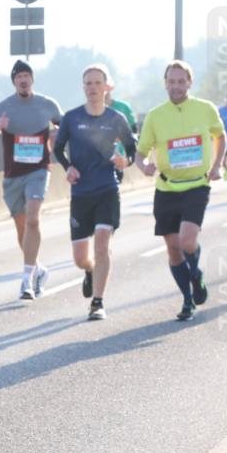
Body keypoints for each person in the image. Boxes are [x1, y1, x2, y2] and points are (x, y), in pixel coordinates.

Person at [134, 60, 226, 321]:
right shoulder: (155, 115)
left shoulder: (205, 109)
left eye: (181, 81)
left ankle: (195, 274)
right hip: (166, 188)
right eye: (171, 81)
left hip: (197, 185)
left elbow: (221, 136)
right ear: (165, 83)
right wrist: (144, 166)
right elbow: (140, 153)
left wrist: (217, 165)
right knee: (174, 248)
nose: (176, 86)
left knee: (186, 241)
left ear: (190, 83)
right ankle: (187, 300)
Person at [0, 60, 63, 300]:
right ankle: (38, 270)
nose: (23, 80)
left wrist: (56, 133)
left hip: (39, 170)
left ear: (32, 79)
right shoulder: (5, 107)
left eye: (27, 75)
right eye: (19, 76)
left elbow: (66, 127)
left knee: (33, 219)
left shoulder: (47, 105)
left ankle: (26, 280)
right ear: (14, 81)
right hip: (14, 175)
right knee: (22, 227)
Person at [54, 64, 137, 320]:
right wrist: (68, 168)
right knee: (81, 258)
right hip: (81, 193)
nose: (92, 88)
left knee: (102, 244)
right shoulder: (72, 118)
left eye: (97, 83)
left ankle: (98, 302)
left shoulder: (115, 119)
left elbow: (132, 149)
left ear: (106, 87)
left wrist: (126, 162)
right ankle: (89, 271)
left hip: (107, 189)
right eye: (88, 83)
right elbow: (58, 149)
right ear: (83, 87)